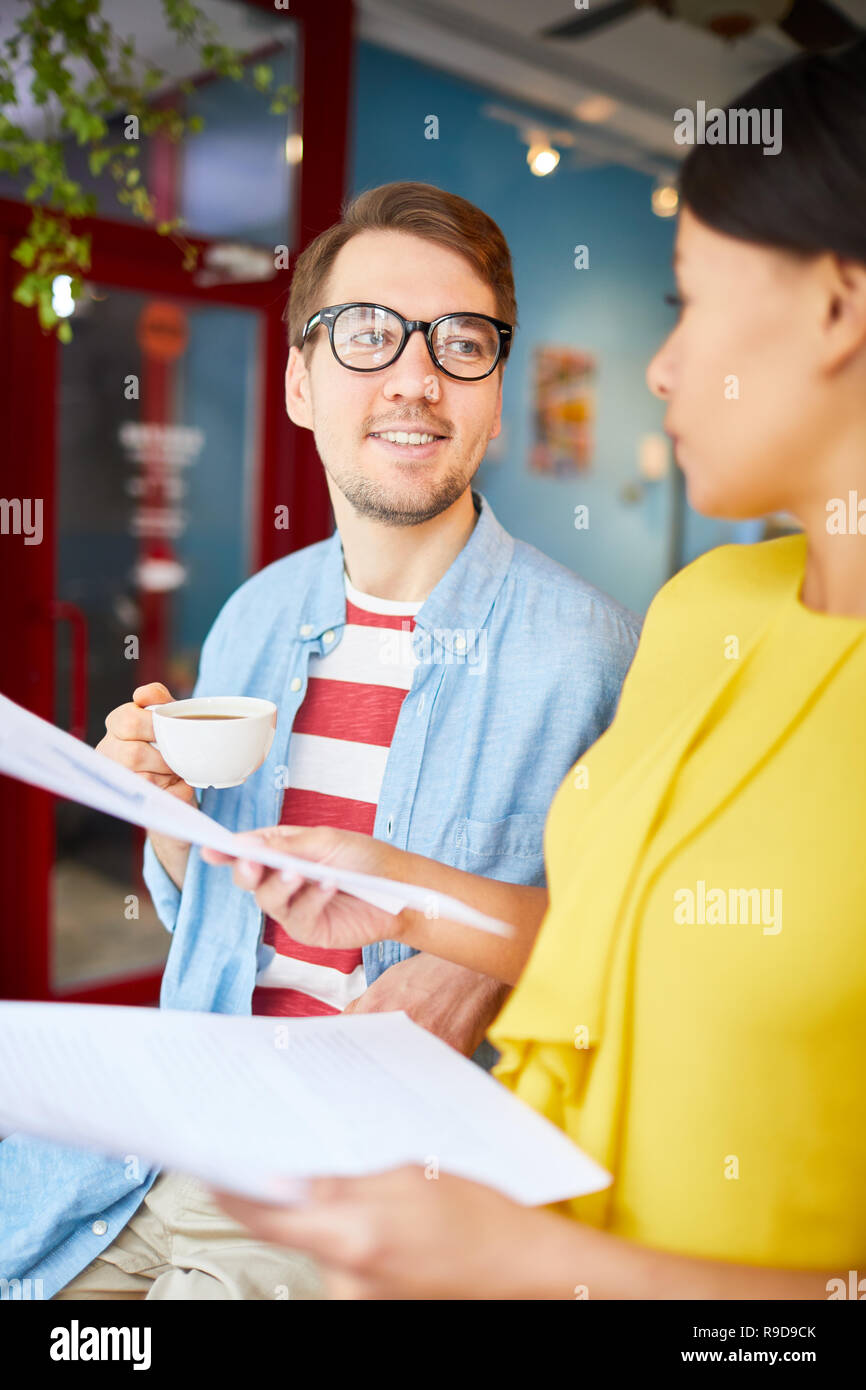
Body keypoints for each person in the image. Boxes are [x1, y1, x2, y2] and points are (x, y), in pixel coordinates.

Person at [202, 40, 866, 1298]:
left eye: (684, 297)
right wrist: (397, 892)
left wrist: (528, 1263)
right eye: (365, 339)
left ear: (835, 307)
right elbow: (605, 936)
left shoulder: (597, 640)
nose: (660, 367)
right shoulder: (705, 611)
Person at [0, 183, 639, 1301]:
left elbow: (635, 949)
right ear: (300, 381)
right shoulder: (255, 612)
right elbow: (207, 906)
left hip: (368, 1184)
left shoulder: (587, 653)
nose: (413, 376)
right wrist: (170, 815)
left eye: (459, 342)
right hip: (164, 1134)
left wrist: (468, 961)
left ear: (496, 396)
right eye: (366, 333)